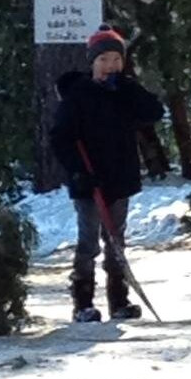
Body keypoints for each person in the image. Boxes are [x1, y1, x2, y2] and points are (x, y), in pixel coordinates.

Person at [50, 24, 164, 322]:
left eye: (116, 59)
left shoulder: (125, 92)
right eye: (104, 60)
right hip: (88, 180)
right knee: (89, 241)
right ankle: (83, 302)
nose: (110, 66)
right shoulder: (78, 95)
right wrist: (77, 171)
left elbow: (154, 112)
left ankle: (119, 299)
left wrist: (129, 88)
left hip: (120, 177)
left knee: (116, 239)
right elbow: (60, 138)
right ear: (92, 62)